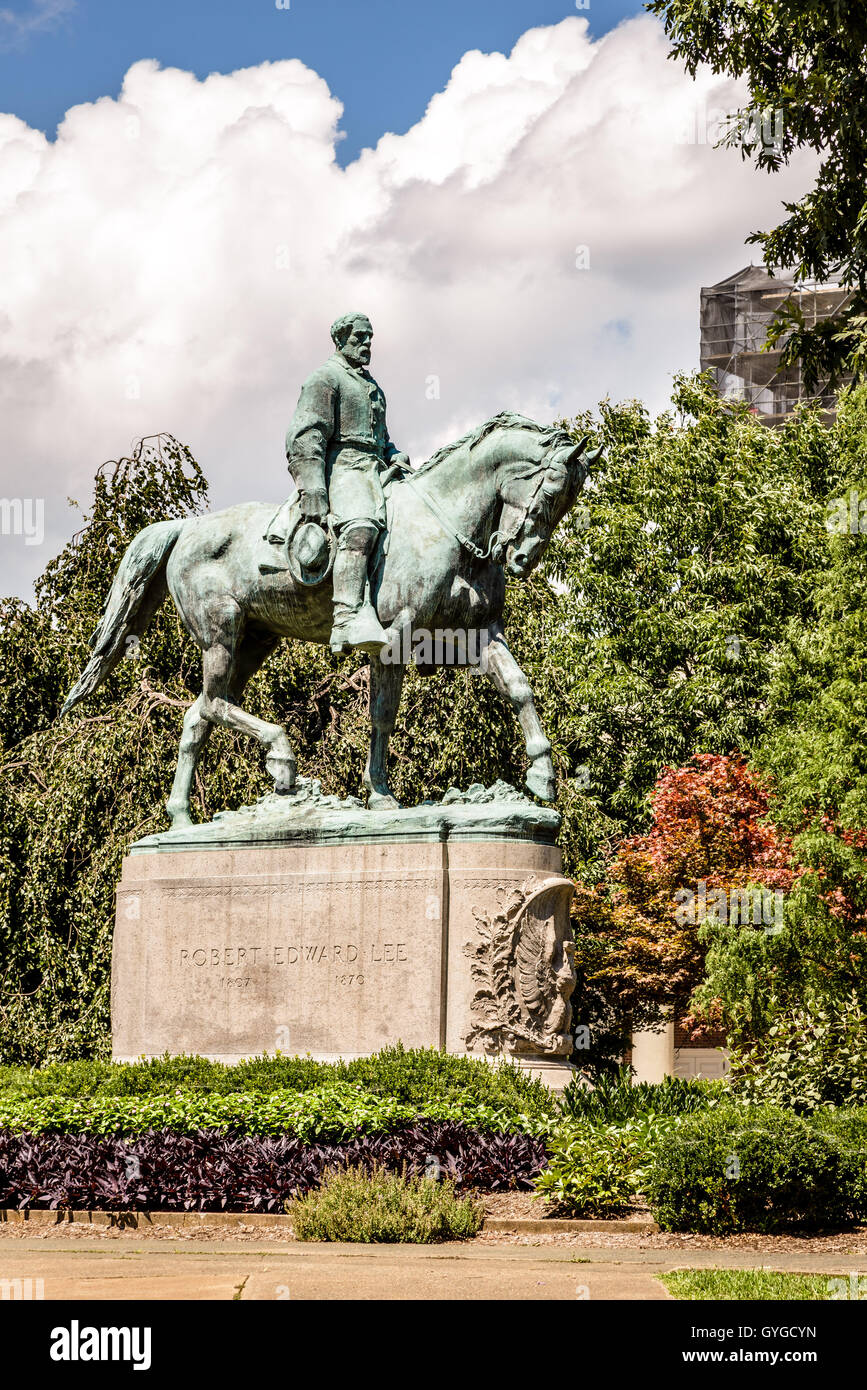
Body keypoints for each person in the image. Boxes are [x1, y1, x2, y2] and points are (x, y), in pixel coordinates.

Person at [284, 312, 409, 654]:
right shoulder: (325, 378)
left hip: (376, 469)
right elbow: (306, 436)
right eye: (359, 337)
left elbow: (382, 438)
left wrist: (395, 454)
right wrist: (312, 487)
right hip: (344, 469)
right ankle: (346, 617)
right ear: (340, 340)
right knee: (361, 527)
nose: (367, 344)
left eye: (370, 338)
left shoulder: (372, 387)